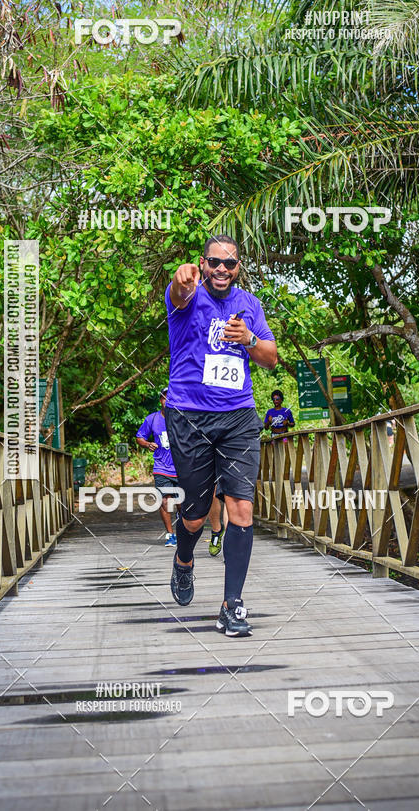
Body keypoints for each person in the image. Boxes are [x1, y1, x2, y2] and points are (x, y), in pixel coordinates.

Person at [164, 234, 277, 636]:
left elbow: (270, 357)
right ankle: (184, 559)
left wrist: (249, 339)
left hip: (238, 416)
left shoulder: (249, 305)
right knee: (195, 516)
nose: (222, 269)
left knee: (241, 509)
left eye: (229, 263)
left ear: (238, 267)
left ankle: (232, 605)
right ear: (203, 263)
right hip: (189, 416)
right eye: (214, 262)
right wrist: (180, 280)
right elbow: (178, 293)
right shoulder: (189, 295)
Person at [136, 389, 179, 547]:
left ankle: (182, 529)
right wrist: (147, 444)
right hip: (162, 467)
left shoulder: (182, 418)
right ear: (160, 400)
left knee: (182, 504)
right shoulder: (152, 419)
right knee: (165, 501)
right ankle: (170, 534)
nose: (167, 401)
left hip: (181, 468)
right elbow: (139, 437)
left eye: (170, 398)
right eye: (164, 398)